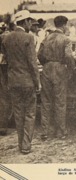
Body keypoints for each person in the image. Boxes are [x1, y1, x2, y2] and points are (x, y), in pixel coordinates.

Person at [2, 10, 41, 154]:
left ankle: (20, 144)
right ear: (25, 22)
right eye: (29, 21)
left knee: (18, 113)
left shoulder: (6, 39)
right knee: (30, 113)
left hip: (13, 81)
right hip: (27, 82)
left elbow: (5, 61)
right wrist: (37, 83)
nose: (31, 23)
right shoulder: (29, 38)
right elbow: (32, 63)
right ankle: (26, 145)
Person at [38, 15, 75, 140]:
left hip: (47, 69)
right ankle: (61, 131)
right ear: (64, 25)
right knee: (60, 102)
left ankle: (44, 132)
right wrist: (70, 69)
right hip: (59, 69)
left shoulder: (46, 38)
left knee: (46, 101)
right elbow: (69, 56)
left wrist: (47, 64)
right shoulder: (65, 39)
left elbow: (39, 55)